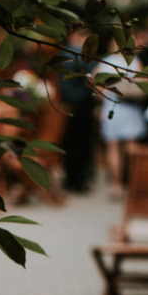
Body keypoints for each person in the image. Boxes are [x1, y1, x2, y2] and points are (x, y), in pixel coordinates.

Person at [96, 41, 147, 199]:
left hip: (112, 108)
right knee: (132, 146)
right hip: (130, 108)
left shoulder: (105, 63)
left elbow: (98, 90)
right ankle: (135, 183)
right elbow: (143, 85)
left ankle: (116, 185)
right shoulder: (135, 62)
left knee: (113, 147)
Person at [59, 28, 96, 193]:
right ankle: (79, 181)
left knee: (71, 143)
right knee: (81, 144)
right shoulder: (79, 56)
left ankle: (71, 179)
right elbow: (91, 79)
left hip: (67, 105)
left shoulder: (62, 55)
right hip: (81, 105)